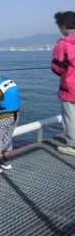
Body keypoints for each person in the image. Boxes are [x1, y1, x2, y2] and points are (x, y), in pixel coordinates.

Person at [51, 11, 75, 157]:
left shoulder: (63, 43)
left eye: (59, 26)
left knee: (70, 117)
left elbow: (57, 69)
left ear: (64, 26)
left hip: (70, 89)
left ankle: (73, 146)